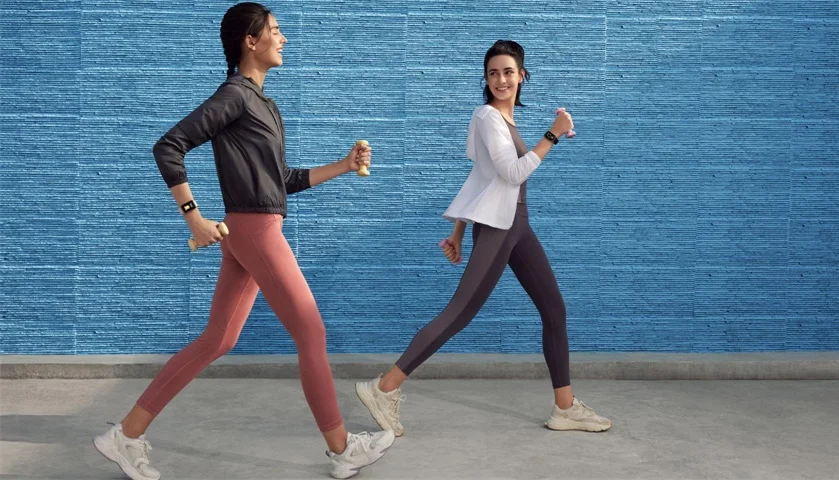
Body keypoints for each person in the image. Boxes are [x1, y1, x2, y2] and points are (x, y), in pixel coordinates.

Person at [93, 4, 393, 479]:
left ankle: (126, 435)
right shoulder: (234, 95)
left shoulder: (263, 104)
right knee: (311, 332)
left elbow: (282, 181)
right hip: (255, 232)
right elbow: (168, 147)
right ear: (250, 41)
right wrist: (194, 217)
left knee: (218, 339)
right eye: (274, 30)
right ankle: (342, 450)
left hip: (250, 230)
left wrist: (342, 165)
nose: (284, 38)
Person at [355, 40, 612, 437]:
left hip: (517, 224)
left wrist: (458, 229)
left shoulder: (506, 122)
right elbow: (511, 174)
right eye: (493, 73)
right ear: (486, 79)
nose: (501, 80)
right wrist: (553, 134)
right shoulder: (488, 117)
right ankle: (383, 388)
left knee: (554, 309)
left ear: (522, 75)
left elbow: (481, 179)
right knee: (460, 311)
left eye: (508, 72)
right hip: (499, 227)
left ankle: (565, 408)